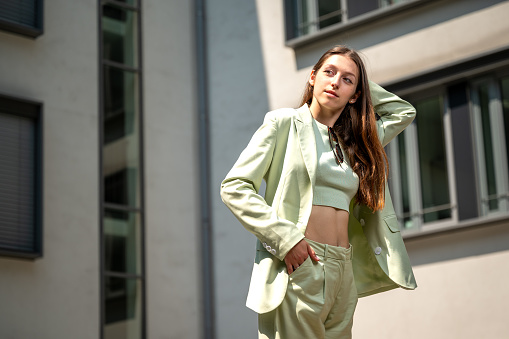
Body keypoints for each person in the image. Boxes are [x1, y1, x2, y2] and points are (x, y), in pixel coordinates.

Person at [220, 45, 417, 339]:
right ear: (312, 77)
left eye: (347, 80)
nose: (335, 82)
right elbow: (234, 187)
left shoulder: (358, 141)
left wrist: (359, 82)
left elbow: (403, 111)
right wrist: (286, 240)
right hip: (301, 261)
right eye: (328, 72)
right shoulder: (282, 123)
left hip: (344, 268)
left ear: (357, 95)